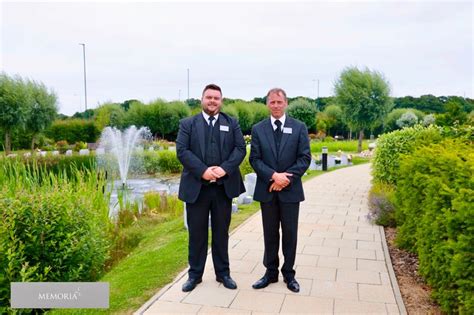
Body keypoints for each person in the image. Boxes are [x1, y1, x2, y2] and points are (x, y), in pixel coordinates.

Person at [176, 84, 246, 292]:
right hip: (197, 188)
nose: (213, 101)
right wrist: (203, 171)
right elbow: (182, 151)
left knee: (221, 233)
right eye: (209, 97)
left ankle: (223, 273)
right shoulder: (187, 124)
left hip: (223, 188)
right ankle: (194, 275)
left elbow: (240, 148)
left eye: (216, 98)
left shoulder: (231, 123)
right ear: (202, 100)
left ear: (221, 101)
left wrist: (224, 169)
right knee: (196, 234)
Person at [249, 88, 311, 293]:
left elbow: (304, 158)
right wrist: (274, 176)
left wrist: (285, 179)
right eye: (272, 102)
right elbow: (255, 159)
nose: (276, 105)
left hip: (290, 191)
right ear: (267, 104)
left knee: (290, 233)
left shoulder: (299, 127)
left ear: (286, 103)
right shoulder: (258, 129)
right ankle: (270, 272)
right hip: (267, 189)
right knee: (270, 233)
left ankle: (289, 274)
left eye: (279, 102)